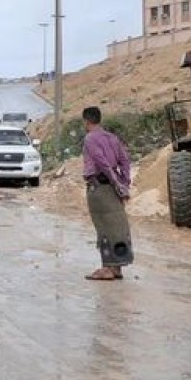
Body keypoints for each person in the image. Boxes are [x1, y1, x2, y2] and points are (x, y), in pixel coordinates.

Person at [82, 106, 133, 281]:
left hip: (100, 187)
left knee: (104, 227)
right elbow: (125, 161)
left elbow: (102, 163)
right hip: (113, 186)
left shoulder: (90, 139)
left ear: (86, 121)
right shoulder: (112, 138)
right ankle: (116, 267)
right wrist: (123, 183)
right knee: (117, 226)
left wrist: (117, 185)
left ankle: (108, 268)